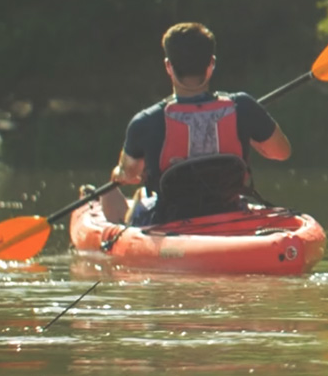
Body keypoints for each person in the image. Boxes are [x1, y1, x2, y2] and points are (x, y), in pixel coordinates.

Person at [89, 22, 293, 226]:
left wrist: (118, 174)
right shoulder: (243, 107)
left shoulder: (146, 121)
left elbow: (128, 174)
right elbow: (281, 152)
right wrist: (249, 129)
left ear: (169, 66)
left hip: (168, 221)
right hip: (229, 211)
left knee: (138, 196)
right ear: (211, 64)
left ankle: (113, 217)